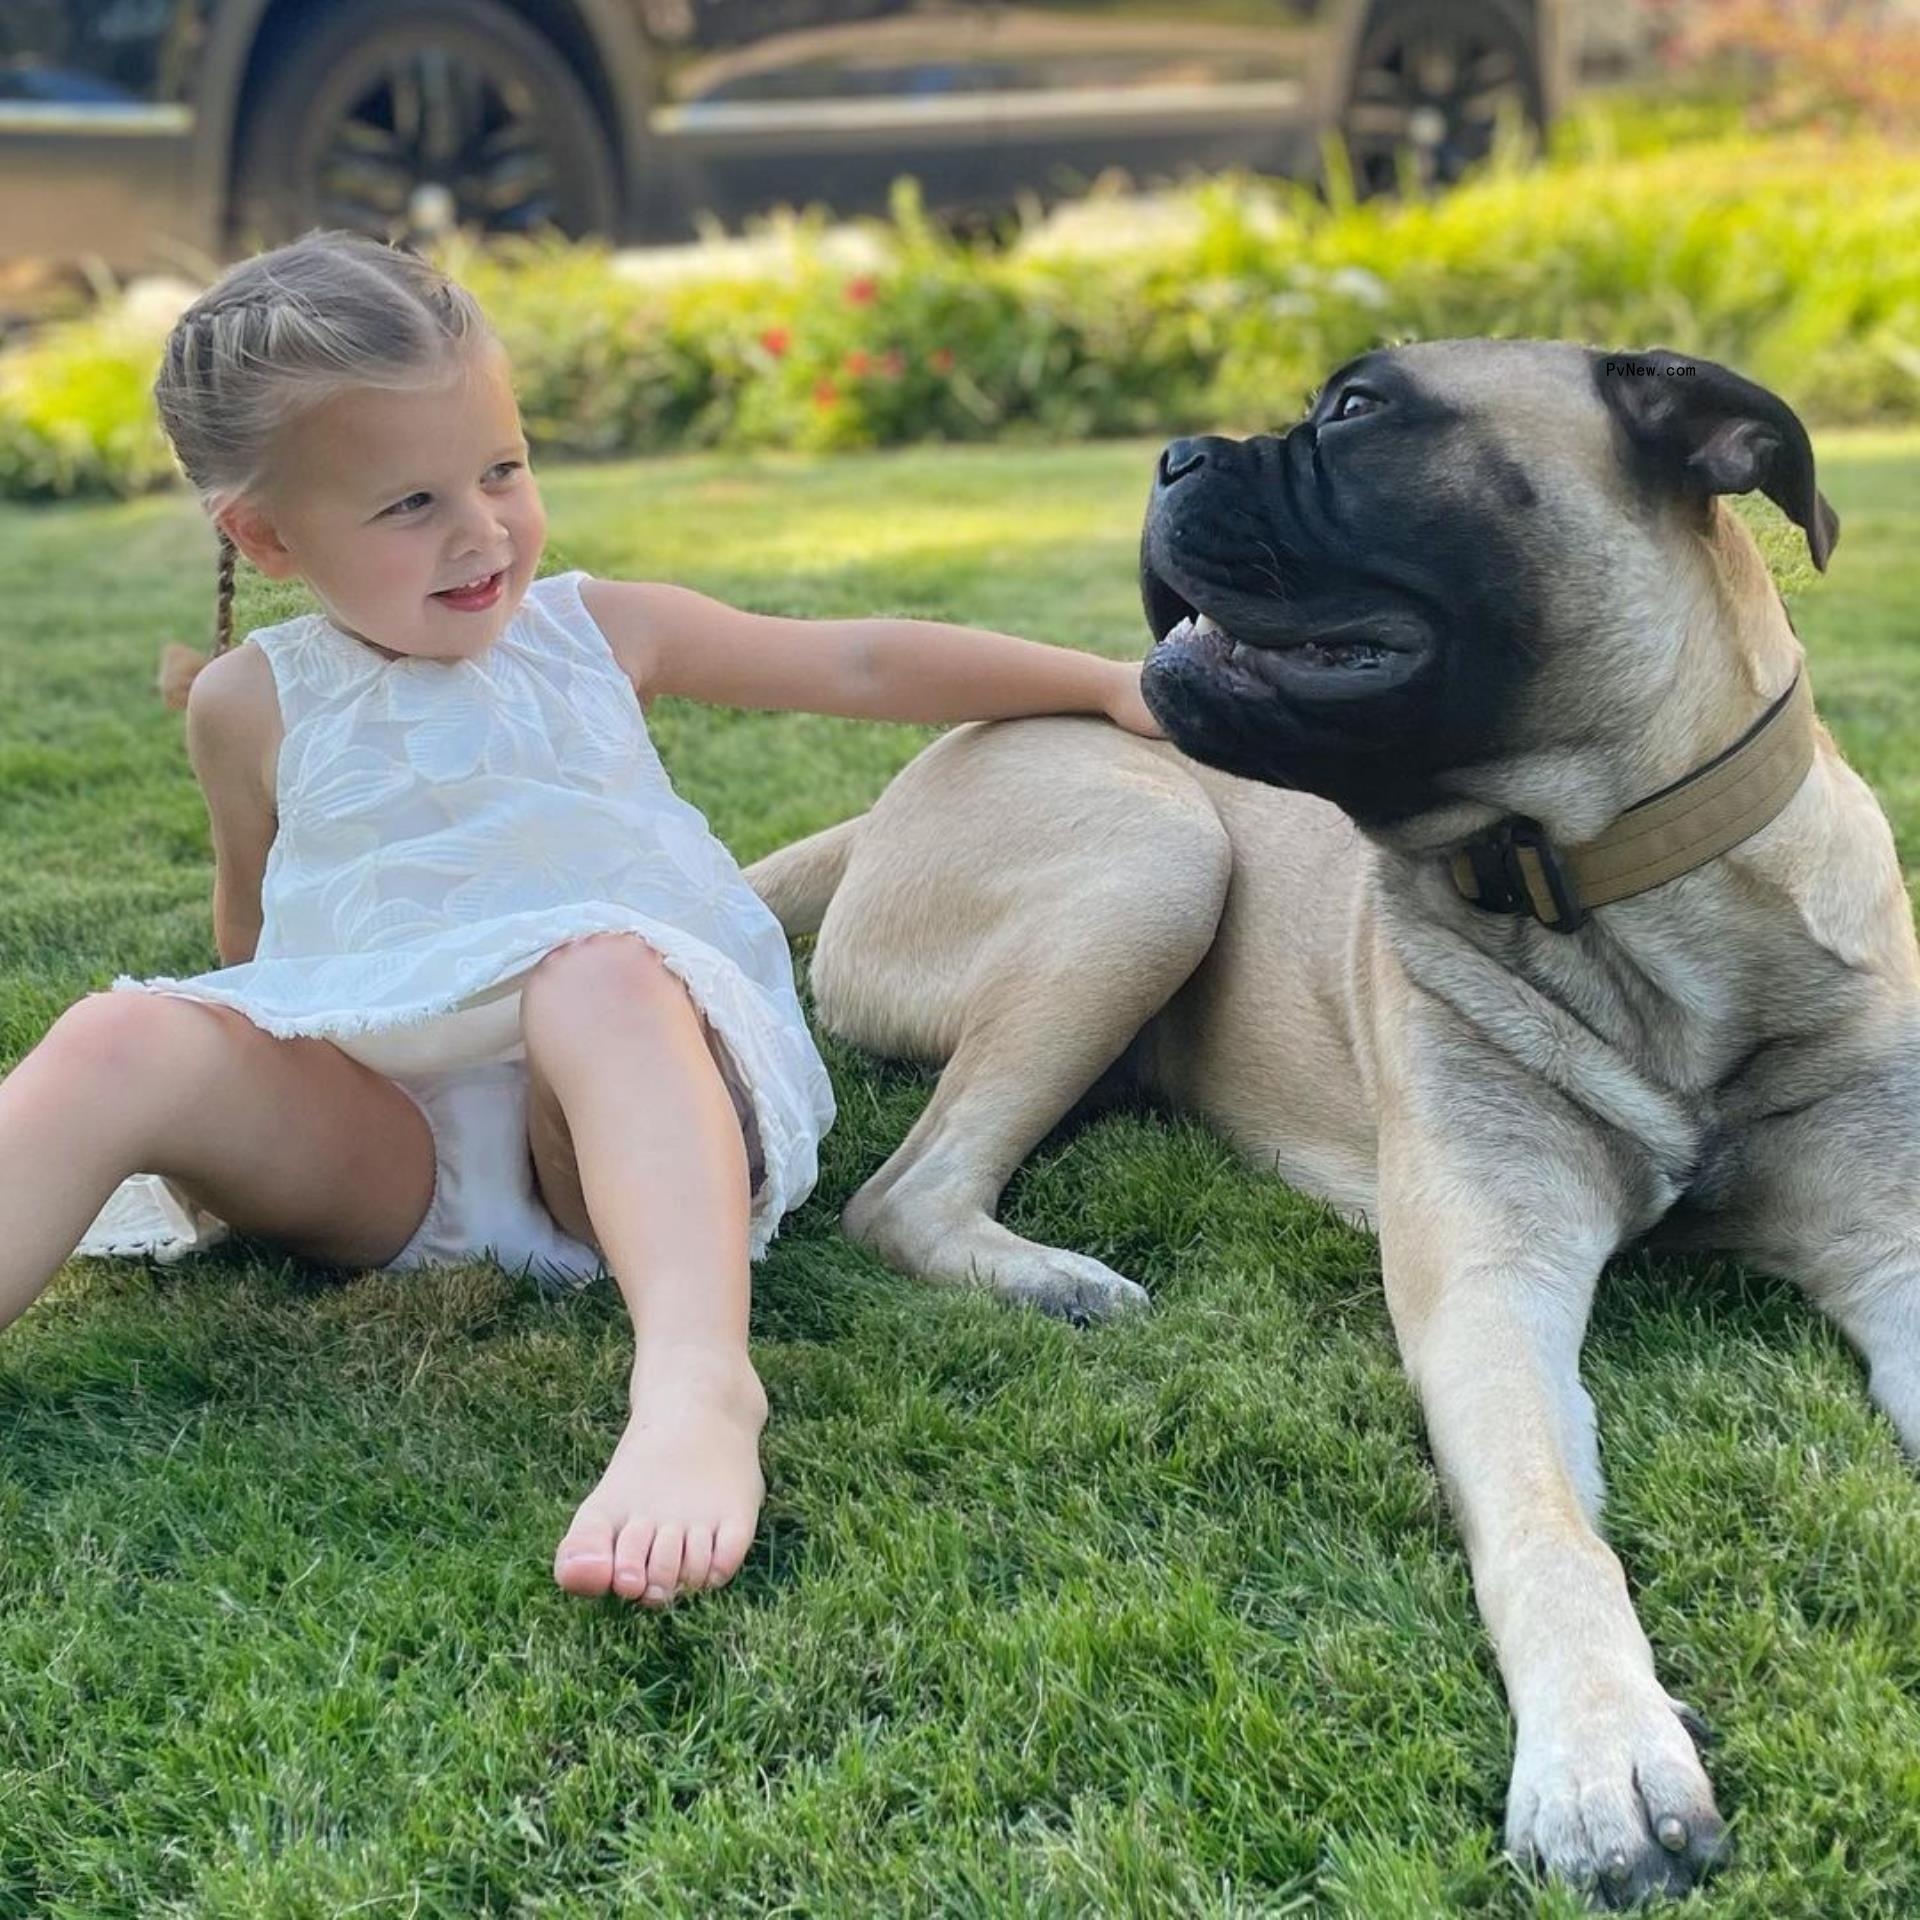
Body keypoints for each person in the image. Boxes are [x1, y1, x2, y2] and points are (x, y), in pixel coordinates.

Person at [0, 230, 1164, 1610]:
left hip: (629, 1106)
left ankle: (695, 1391)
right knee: (116, 1032)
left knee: (590, 967)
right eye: (413, 502)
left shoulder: (590, 630)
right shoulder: (246, 703)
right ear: (266, 536)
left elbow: (851, 656)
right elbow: (256, 934)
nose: (483, 528)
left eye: (503, 469)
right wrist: (221, 1114)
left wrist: (1103, 683)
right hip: (403, 1163)